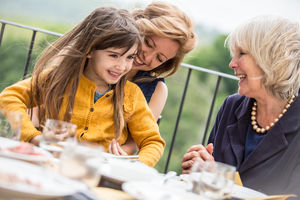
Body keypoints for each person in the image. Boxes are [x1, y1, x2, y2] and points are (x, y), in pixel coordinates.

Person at [0, 6, 165, 167]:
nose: (122, 66)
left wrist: (134, 168)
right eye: (114, 56)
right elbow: (8, 98)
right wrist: (33, 137)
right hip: (51, 166)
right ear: (90, 50)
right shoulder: (58, 78)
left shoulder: (132, 95)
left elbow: (153, 142)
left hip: (98, 175)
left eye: (130, 57)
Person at [181, 15, 300, 197]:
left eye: (242, 54)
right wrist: (198, 168)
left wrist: (220, 180)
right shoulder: (232, 106)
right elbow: (208, 183)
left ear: (272, 58)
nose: (232, 64)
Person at [108, 1, 197, 155]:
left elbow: (135, 142)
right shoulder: (99, 57)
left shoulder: (157, 90)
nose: (147, 58)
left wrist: (113, 155)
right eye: (148, 43)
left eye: (160, 58)